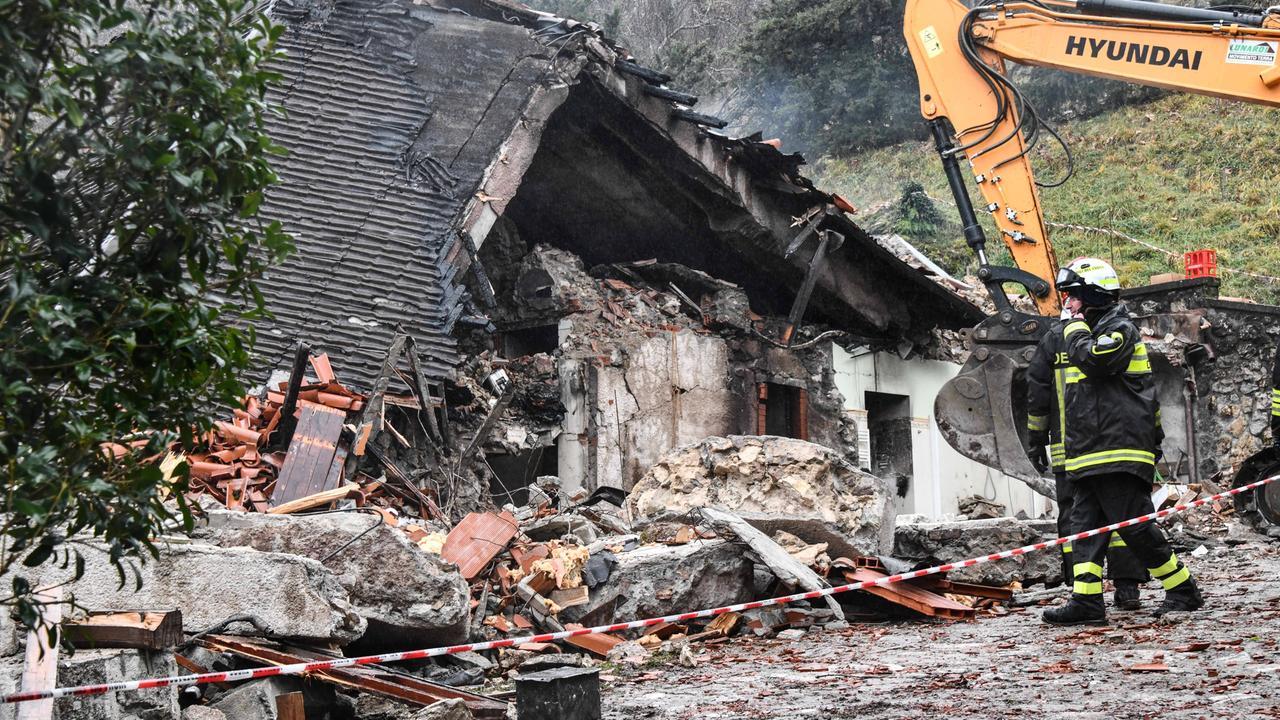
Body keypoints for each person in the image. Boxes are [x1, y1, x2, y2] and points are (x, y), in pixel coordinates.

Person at [1042, 257, 1203, 625]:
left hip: (1116, 448)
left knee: (1134, 526)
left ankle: (1182, 589)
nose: (1067, 305)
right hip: (1091, 451)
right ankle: (1086, 602)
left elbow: (1095, 361)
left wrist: (1073, 331)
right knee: (1083, 527)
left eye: (1073, 297)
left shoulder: (1119, 330)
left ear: (1092, 295)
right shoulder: (1096, 327)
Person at [1026, 310, 1150, 611]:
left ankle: (1081, 590)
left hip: (1069, 449)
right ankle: (1127, 586)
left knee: (1076, 517)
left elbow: (1038, 392)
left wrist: (1036, 439)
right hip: (1113, 444)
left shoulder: (1054, 339)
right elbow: (1144, 390)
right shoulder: (1118, 332)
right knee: (1125, 515)